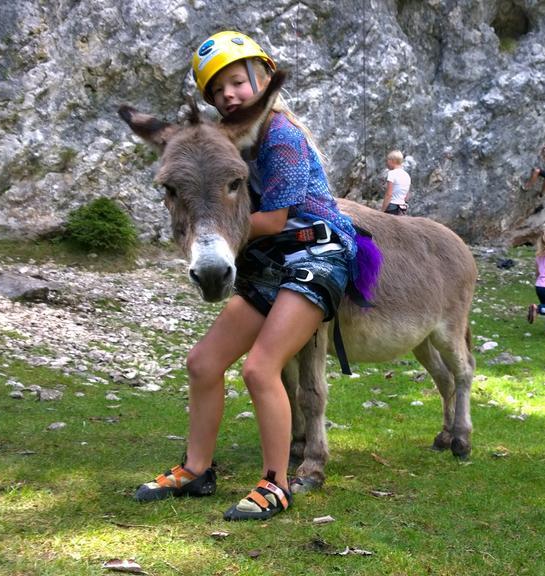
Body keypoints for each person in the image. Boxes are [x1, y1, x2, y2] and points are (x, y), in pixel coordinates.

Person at [133, 31, 372, 520]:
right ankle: (196, 469)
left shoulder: (281, 135)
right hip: (269, 260)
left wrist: (212, 236)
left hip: (315, 251)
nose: (229, 95)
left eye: (238, 81)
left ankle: (276, 483)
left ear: (263, 80)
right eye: (218, 90)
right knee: (202, 362)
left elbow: (279, 220)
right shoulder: (218, 142)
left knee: (260, 367)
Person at [381, 149, 411, 215]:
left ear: (392, 161)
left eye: (388, 160)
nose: (387, 162)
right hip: (402, 207)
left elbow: (389, 194)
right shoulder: (406, 175)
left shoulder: (391, 174)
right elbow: (407, 195)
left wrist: (382, 211)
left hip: (392, 206)